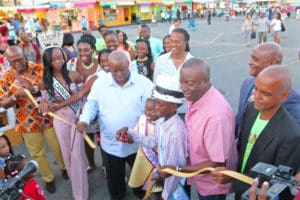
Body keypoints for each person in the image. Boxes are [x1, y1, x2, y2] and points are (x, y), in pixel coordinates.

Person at [77, 50, 153, 200]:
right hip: (110, 145)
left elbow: (153, 111)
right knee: (115, 182)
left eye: (122, 69)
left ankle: (141, 194)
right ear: (108, 68)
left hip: (137, 143)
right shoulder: (100, 83)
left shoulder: (144, 83)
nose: (118, 73)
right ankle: (118, 195)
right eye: (114, 70)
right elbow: (91, 105)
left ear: (129, 65)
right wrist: (84, 120)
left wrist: (138, 132)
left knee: (141, 178)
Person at [160, 57, 237, 200]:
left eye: (189, 83)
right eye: (181, 82)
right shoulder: (196, 95)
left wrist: (177, 169)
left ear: (206, 81)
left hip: (212, 186)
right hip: (199, 175)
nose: (183, 88)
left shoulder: (216, 116)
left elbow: (217, 162)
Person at [0, 46, 66, 193]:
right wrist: (16, 95)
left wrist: (33, 89)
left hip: (47, 116)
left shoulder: (39, 68)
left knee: (58, 145)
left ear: (25, 56)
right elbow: (2, 102)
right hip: (25, 122)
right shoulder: (6, 77)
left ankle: (64, 168)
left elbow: (51, 85)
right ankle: (48, 178)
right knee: (37, 153)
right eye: (12, 61)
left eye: (19, 60)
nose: (17, 64)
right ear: (8, 61)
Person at [231, 65, 300, 199]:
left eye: (266, 93)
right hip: (240, 188)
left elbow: (280, 183)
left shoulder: (291, 135)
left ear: (284, 96)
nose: (256, 96)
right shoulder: (250, 109)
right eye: (256, 89)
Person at [117, 74, 189, 200]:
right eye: (155, 102)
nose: (155, 108)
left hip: (173, 188)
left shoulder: (176, 133)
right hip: (165, 178)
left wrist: (165, 195)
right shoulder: (162, 122)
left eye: (159, 104)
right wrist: (130, 132)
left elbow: (175, 170)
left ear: (173, 107)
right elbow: (151, 142)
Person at [40, 45, 88, 200]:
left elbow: (83, 98)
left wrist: (83, 115)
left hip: (76, 117)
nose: (58, 61)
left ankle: (81, 195)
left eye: (60, 57)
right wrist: (44, 106)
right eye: (53, 59)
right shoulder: (44, 82)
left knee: (78, 156)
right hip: (60, 120)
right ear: (47, 62)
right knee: (67, 156)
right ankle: (77, 188)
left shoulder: (75, 75)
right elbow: (45, 104)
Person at [235, 42, 300, 137]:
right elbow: (240, 118)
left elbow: (295, 133)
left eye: (255, 59)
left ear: (272, 63)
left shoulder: (289, 97)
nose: (250, 62)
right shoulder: (247, 84)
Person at [126, 97, 162, 199]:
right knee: (142, 185)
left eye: (153, 110)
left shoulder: (163, 123)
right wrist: (126, 138)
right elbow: (133, 137)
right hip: (143, 159)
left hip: (158, 161)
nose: (148, 113)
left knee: (159, 188)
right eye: (146, 109)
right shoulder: (142, 120)